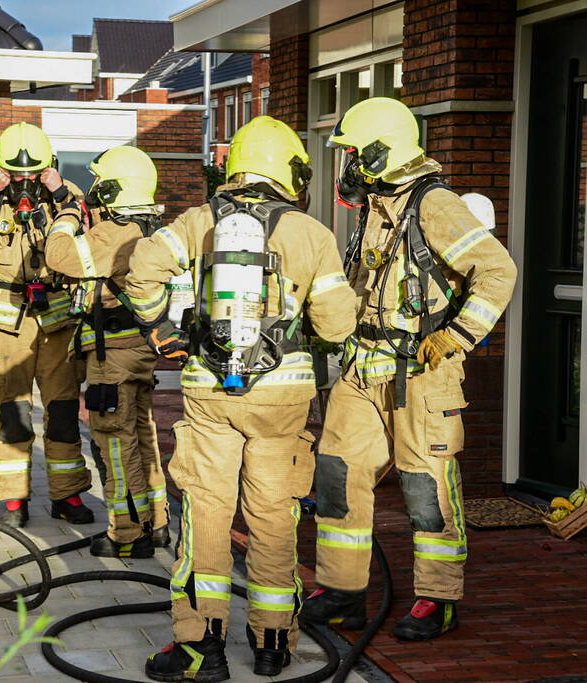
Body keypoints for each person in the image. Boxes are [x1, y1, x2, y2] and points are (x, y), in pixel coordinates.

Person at [125, 116, 357, 681]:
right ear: (287, 171)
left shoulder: (200, 221)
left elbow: (140, 273)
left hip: (210, 392)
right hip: (283, 400)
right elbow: (337, 322)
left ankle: (200, 649)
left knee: (206, 515)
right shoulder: (311, 233)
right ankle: (273, 643)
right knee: (273, 518)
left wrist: (163, 333)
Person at [299, 97, 517, 641]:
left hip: (421, 373)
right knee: (338, 478)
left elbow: (496, 270)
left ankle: (437, 599)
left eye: (352, 152)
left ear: (379, 150)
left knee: (425, 488)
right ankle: (343, 591)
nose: (347, 163)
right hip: (361, 367)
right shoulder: (377, 203)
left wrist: (457, 335)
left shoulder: (435, 204)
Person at [0, 122, 93, 528]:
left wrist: (59, 190)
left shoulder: (66, 197)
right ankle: (14, 499)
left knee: (62, 411)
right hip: (9, 324)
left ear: (49, 167)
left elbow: (88, 232)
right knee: (14, 414)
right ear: (1, 169)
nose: (25, 185)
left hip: (57, 319)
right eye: (16, 176)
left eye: (33, 175)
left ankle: (67, 494)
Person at [45, 145, 170, 558]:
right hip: (138, 349)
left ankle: (127, 534)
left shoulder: (112, 234)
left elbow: (59, 255)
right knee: (143, 436)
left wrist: (66, 213)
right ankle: (158, 524)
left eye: (100, 183)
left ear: (114, 189)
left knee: (115, 443)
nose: (95, 189)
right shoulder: (148, 231)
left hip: (111, 356)